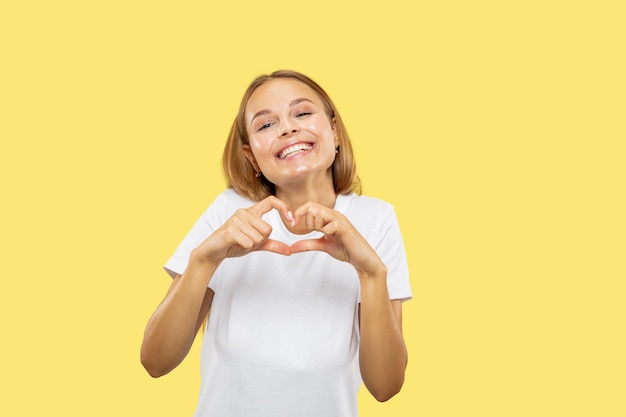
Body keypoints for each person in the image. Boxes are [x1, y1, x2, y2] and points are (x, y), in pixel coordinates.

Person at [140, 70, 412, 417]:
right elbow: (156, 361)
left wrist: (371, 273)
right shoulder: (230, 212)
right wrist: (203, 261)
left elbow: (386, 386)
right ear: (251, 157)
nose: (287, 128)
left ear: (335, 132)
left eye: (301, 113)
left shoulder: (377, 219)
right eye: (266, 125)